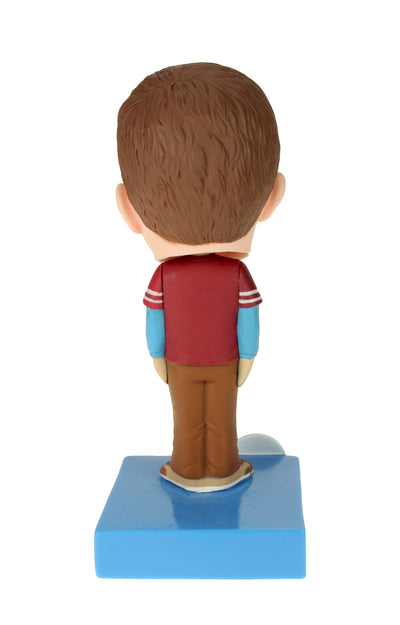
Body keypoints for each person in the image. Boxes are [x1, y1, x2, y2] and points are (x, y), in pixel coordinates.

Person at [116, 62, 285, 492]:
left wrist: (157, 355)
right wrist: (248, 356)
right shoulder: (236, 273)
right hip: (225, 359)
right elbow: (249, 317)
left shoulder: (164, 277)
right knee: (223, 416)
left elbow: (154, 319)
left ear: (129, 209)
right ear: (271, 198)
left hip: (180, 360)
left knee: (186, 418)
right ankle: (224, 467)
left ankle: (188, 468)